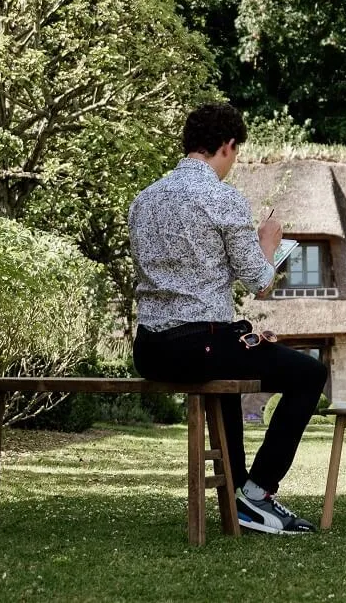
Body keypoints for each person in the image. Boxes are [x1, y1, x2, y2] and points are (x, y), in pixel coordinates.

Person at [128, 101, 328, 535]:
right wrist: (268, 242)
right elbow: (259, 281)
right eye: (236, 153)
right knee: (309, 373)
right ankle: (258, 492)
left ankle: (237, 494)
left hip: (150, 348)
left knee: (230, 359)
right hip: (198, 345)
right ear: (228, 145)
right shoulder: (223, 198)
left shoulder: (144, 200)